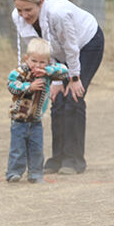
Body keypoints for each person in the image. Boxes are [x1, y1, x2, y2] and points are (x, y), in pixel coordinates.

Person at [12, 0, 104, 174]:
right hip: (58, 55)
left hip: (86, 45)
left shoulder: (58, 13)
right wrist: (54, 80)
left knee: (73, 97)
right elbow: (41, 52)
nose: (23, 15)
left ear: (41, 1)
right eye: (19, 10)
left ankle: (74, 159)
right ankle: (57, 158)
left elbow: (71, 48)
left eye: (28, 10)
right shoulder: (18, 17)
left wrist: (74, 78)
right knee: (58, 99)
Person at [6, 37, 68, 183]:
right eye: (34, 61)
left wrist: (47, 70)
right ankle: (14, 172)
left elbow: (64, 71)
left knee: (36, 149)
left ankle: (35, 174)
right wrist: (29, 87)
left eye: (42, 62)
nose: (37, 65)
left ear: (47, 62)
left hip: (36, 119)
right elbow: (11, 85)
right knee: (18, 148)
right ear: (27, 59)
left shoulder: (47, 73)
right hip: (19, 118)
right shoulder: (21, 72)